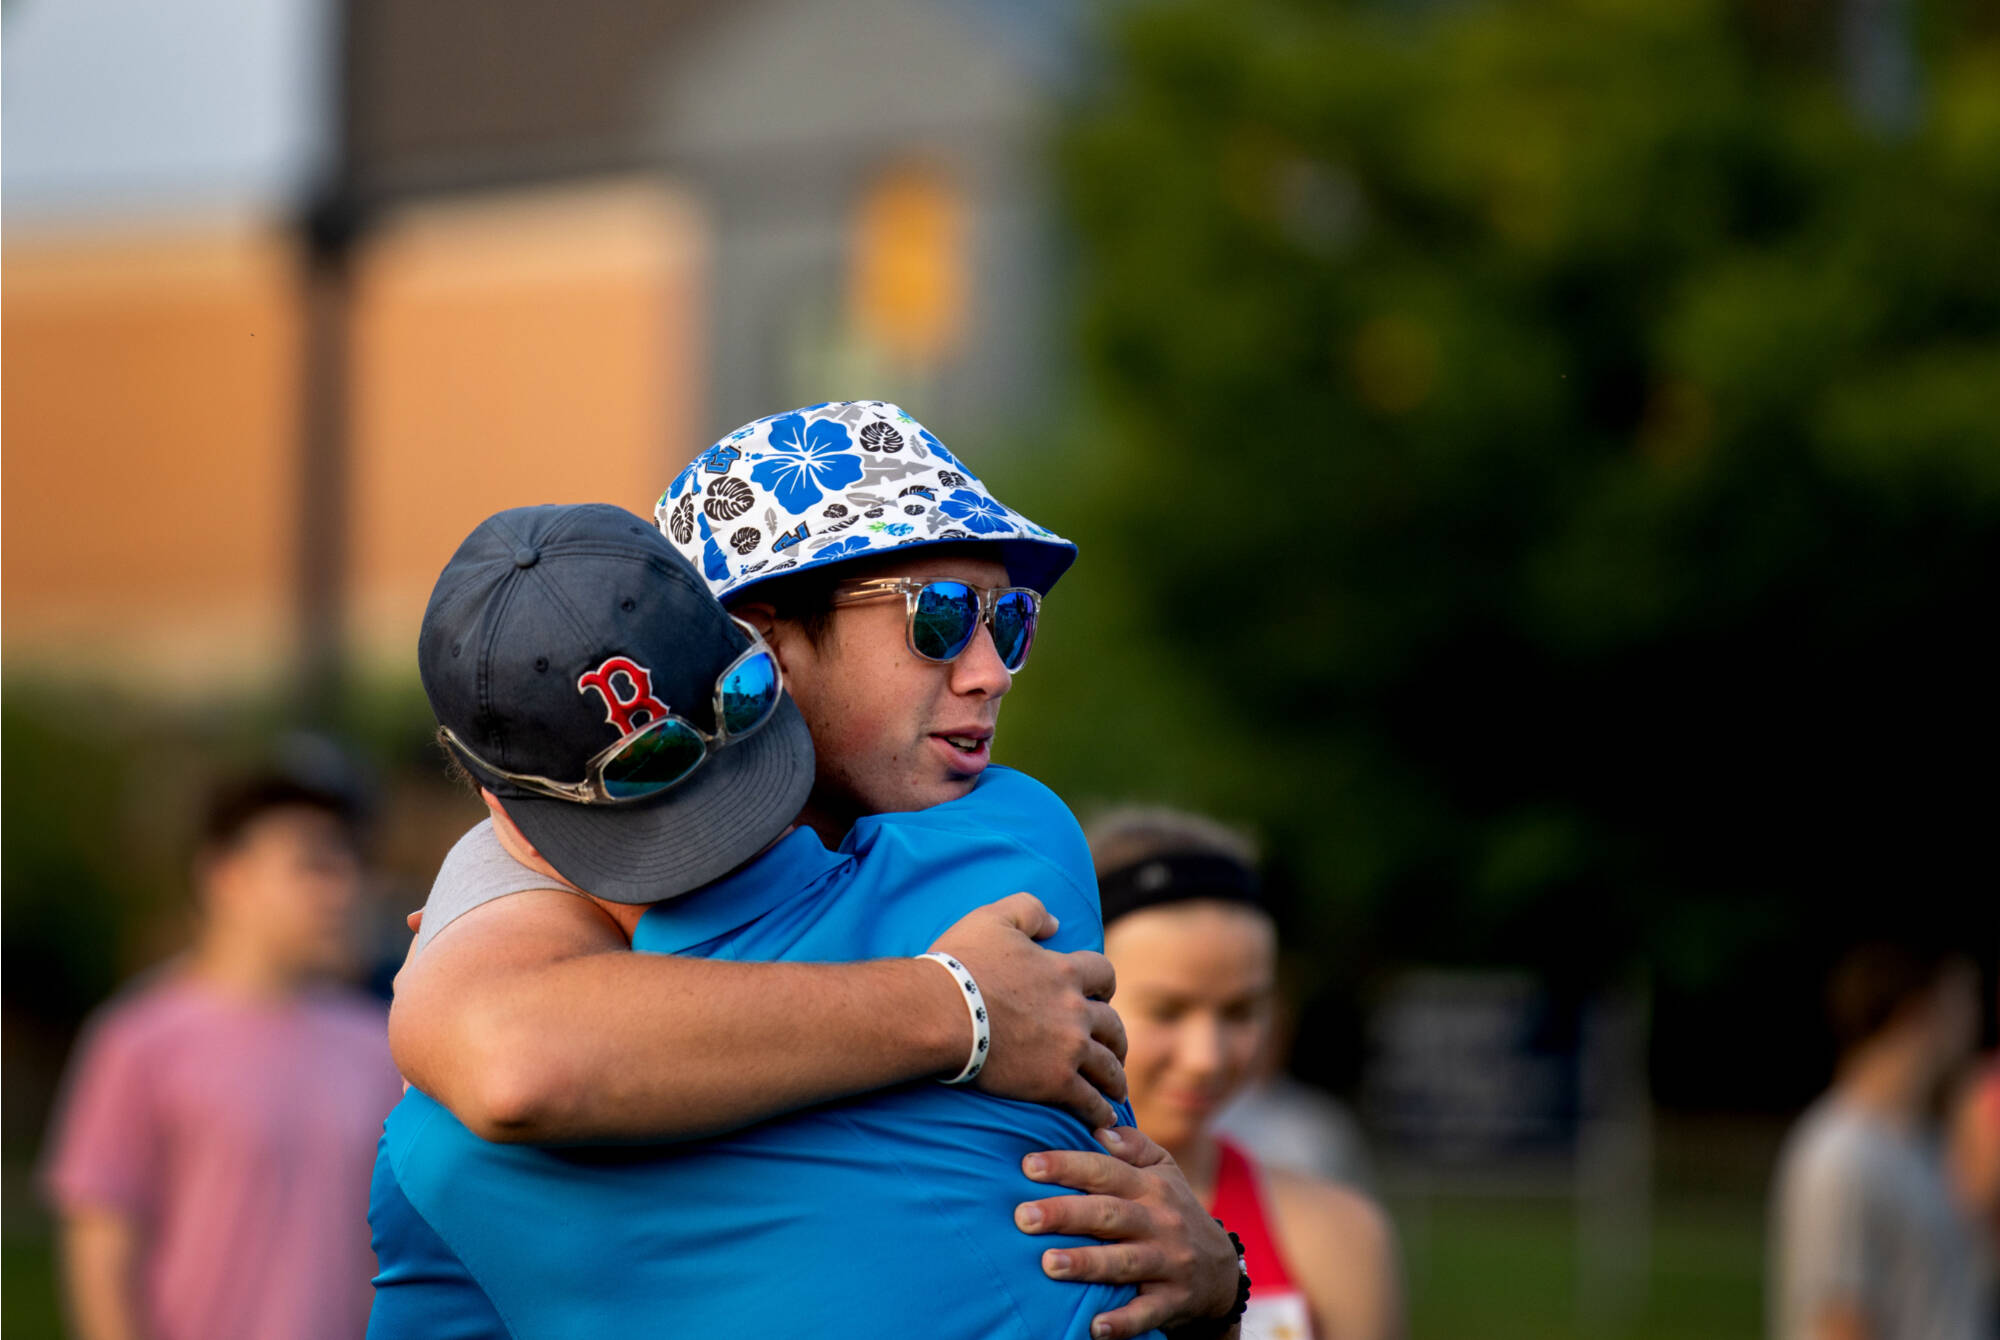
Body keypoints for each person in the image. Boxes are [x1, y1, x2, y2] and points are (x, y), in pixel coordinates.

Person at [372, 480, 1239, 1334]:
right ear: (766, 646)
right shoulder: (472, 1120)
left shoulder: (1006, 838)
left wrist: (489, 912)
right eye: (934, 617)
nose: (989, 673)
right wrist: (960, 1007)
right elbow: (522, 1062)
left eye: (1008, 618)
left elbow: (514, 1056)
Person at [42, 770, 402, 1340]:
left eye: (349, 865)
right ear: (225, 877)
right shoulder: (138, 1040)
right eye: (313, 865)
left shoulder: (384, 1044)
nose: (342, 888)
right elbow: (102, 1249)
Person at [1091, 806, 1404, 1340]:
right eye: (1168, 1010)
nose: (1207, 1057)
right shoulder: (994, 1214)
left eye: (1239, 1012)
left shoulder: (1336, 1235)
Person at [1768, 941, 1989, 1340]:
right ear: (1918, 1011)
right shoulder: (1838, 1154)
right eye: (1962, 999)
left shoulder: (1928, 1142)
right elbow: (1837, 1320)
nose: (1975, 1018)